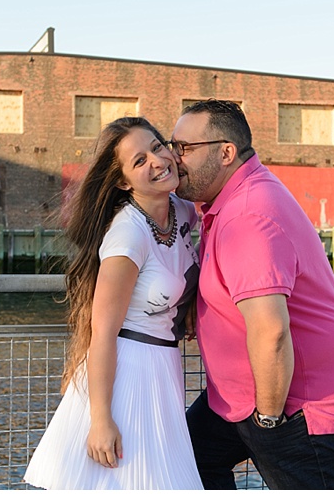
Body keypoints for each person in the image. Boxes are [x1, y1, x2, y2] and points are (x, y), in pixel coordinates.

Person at [169, 100, 334, 490]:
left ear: (225, 152)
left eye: (185, 148)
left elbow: (271, 332)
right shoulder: (231, 198)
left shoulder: (247, 215)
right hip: (238, 400)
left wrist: (268, 420)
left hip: (299, 406)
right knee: (187, 461)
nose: (174, 157)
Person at [23, 117, 203, 490]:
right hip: (127, 375)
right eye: (139, 161)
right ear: (123, 181)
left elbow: (180, 269)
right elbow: (102, 333)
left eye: (157, 146)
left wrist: (186, 308)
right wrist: (101, 419)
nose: (157, 160)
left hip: (164, 368)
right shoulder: (127, 236)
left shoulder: (183, 211)